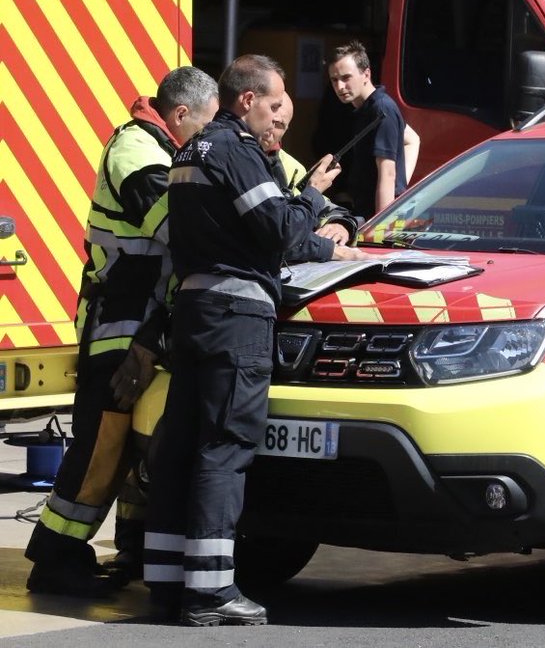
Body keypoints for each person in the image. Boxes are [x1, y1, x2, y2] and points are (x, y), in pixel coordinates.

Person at [143, 55, 340, 626]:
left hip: (195, 311)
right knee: (225, 448)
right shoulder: (237, 151)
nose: (279, 118)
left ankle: (167, 579)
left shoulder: (188, 152)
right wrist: (311, 197)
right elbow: (280, 231)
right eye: (275, 104)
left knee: (181, 444)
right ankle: (210, 591)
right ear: (247, 100)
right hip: (237, 317)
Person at [24, 67, 219, 597]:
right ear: (180, 115)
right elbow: (177, 225)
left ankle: (134, 543)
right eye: (204, 125)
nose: (207, 138)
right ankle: (55, 556)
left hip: (147, 326)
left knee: (140, 441)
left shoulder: (167, 148)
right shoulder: (135, 149)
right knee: (102, 448)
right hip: (118, 325)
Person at [262, 92, 366, 262]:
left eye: (280, 124)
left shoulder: (289, 165)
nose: (270, 129)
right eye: (269, 119)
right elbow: (272, 235)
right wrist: (329, 250)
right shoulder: (236, 159)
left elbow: (323, 207)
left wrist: (341, 225)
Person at [327, 41, 420, 218]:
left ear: (366, 74)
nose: (339, 87)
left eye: (346, 78)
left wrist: (380, 228)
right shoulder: (368, 108)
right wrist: (400, 186)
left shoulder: (381, 109)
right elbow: (412, 139)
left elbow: (387, 172)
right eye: (334, 80)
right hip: (367, 210)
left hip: (380, 220)